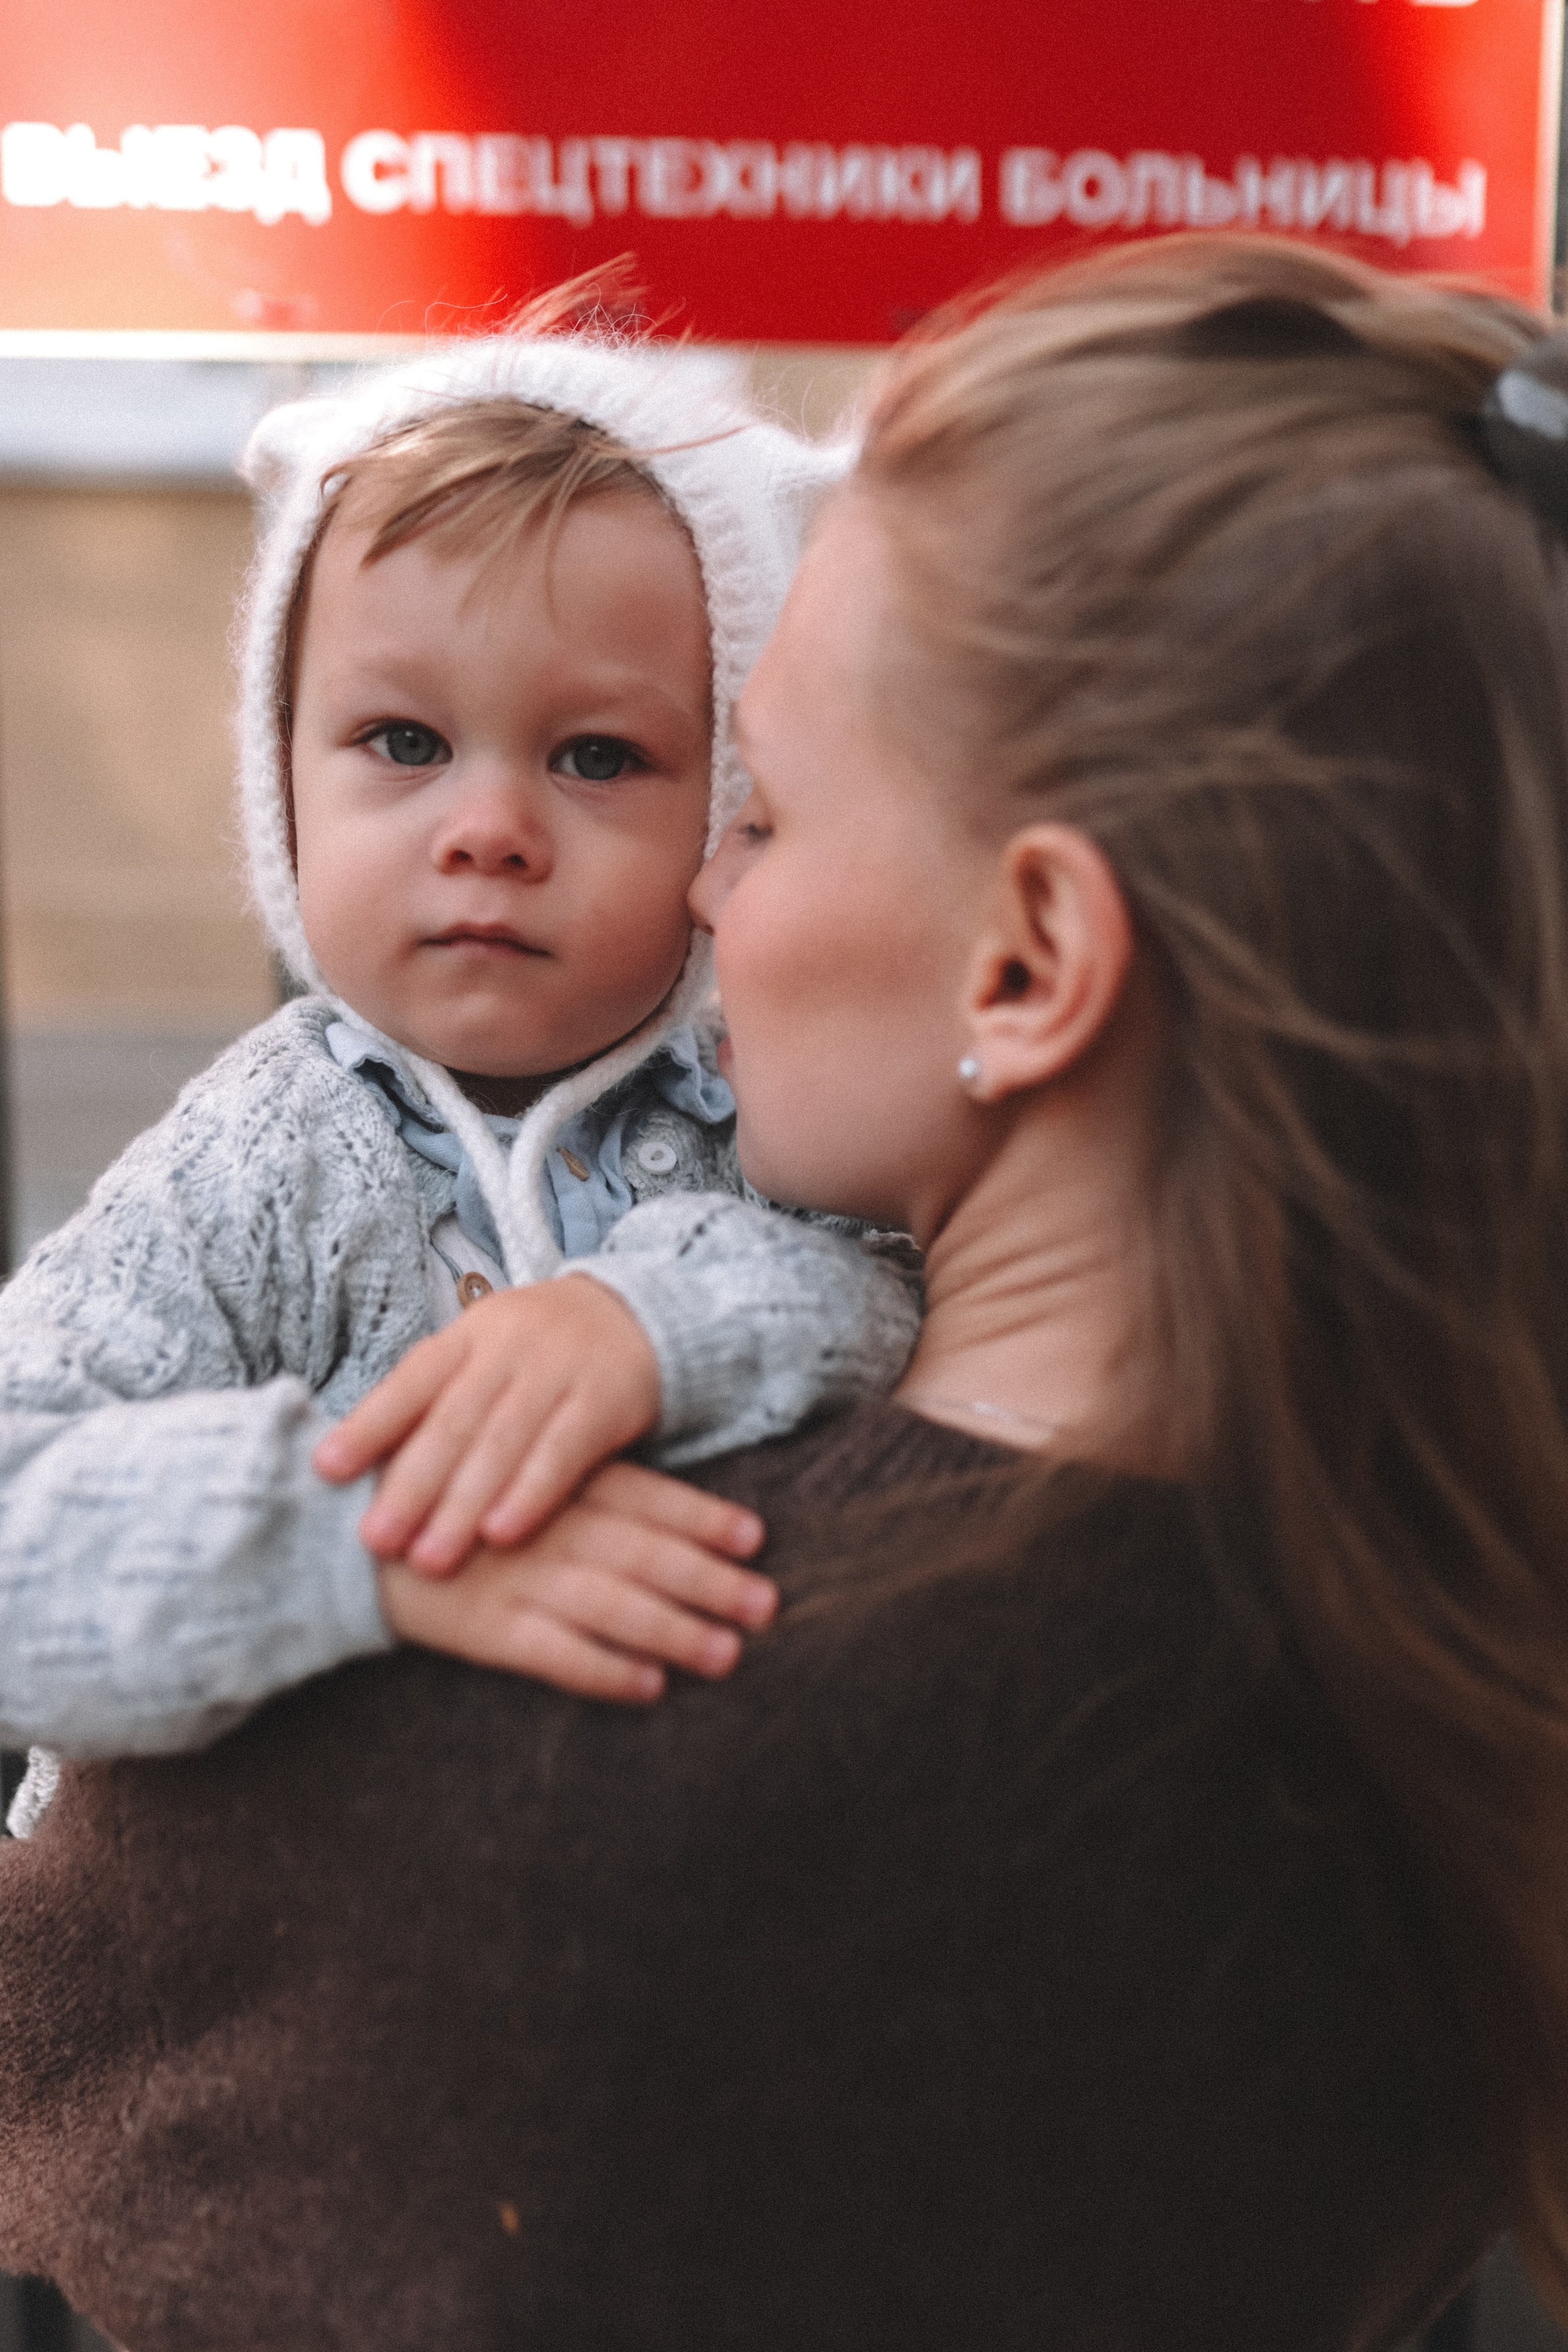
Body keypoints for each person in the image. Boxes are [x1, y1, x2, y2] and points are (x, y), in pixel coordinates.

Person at [0, 232, 1564, 2348]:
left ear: (1031, 960)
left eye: (754, 802)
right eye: (399, 742)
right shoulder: (1427, 1644)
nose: (706, 891)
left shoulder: (527, 1804)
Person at [0, 311, 921, 1796]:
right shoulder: (262, 1160)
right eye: (406, 742)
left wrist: (652, 1327)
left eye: (596, 756)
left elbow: (901, 1308)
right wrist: (364, 1541)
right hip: (253, 1910)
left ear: (727, 807)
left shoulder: (772, 1125)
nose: (488, 829)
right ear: (281, 778)